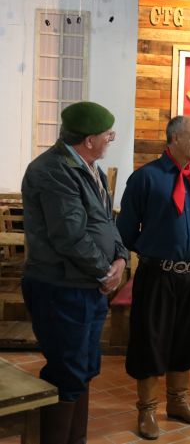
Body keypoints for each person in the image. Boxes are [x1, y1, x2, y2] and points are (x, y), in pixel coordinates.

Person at [21, 101, 128, 443]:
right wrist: (105, 272)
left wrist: (121, 258)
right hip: (61, 287)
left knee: (84, 368)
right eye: (108, 134)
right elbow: (69, 235)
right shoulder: (52, 170)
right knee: (67, 369)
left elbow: (106, 222)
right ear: (89, 139)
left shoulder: (90, 167)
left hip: (85, 285)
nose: (111, 138)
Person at [116, 116, 190, 439]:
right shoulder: (145, 178)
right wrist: (151, 251)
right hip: (156, 275)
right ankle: (147, 410)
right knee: (150, 341)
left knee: (186, 339)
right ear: (174, 139)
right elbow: (125, 231)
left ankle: (178, 402)